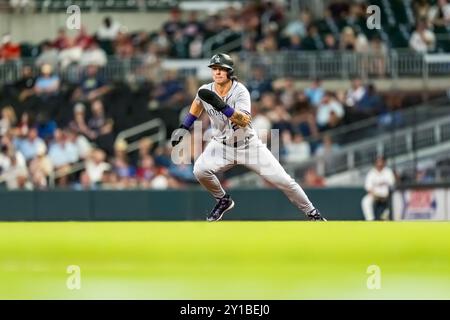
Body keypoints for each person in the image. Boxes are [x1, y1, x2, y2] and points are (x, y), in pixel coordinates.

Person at [170, 53, 326, 222]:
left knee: (284, 181)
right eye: (215, 69)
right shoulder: (205, 90)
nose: (217, 72)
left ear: (229, 72)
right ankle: (223, 200)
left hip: (248, 145)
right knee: (199, 170)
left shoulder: (240, 91)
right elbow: (196, 107)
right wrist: (184, 127)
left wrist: (221, 106)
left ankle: (313, 213)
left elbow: (244, 121)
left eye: (222, 69)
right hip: (221, 146)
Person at [361, 156, 396, 221]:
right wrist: (374, 194)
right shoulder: (371, 173)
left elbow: (392, 184)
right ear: (375, 163)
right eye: (378, 162)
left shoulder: (388, 171)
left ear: (384, 162)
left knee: (396, 199)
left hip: (387, 195)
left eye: (381, 161)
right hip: (374, 195)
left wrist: (387, 194)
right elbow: (367, 187)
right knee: (365, 201)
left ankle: (386, 216)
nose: (379, 163)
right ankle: (370, 220)